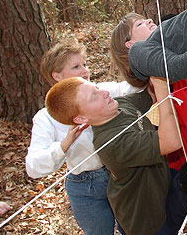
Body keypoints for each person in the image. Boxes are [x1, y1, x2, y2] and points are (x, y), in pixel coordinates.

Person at [26, 40, 140, 235]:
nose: (85, 71)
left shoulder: (99, 91)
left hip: (119, 176)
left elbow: (129, 89)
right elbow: (33, 167)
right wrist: (64, 145)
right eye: (76, 67)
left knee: (132, 230)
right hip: (85, 187)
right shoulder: (46, 117)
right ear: (57, 76)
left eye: (85, 64)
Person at [44, 76, 182, 235]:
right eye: (94, 96)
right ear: (81, 119)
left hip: (160, 194)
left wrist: (157, 72)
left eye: (96, 88)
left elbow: (151, 94)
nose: (103, 92)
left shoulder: (119, 105)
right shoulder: (111, 141)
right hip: (145, 218)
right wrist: (162, 89)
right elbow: (171, 141)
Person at [110, 13, 187, 168]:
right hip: (181, 167)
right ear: (131, 45)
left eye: (147, 19)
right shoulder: (152, 84)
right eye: (139, 24)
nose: (149, 20)